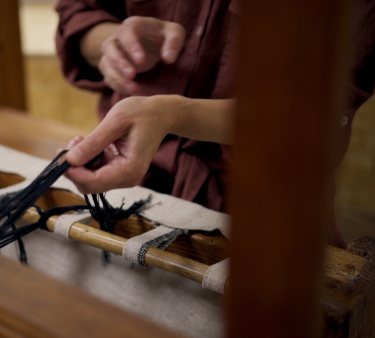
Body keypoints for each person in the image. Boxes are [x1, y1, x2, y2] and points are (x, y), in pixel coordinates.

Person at [55, 0, 375, 217]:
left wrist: (175, 115)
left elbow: (314, 111)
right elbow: (79, 11)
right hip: (124, 193)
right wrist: (114, 42)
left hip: (265, 216)